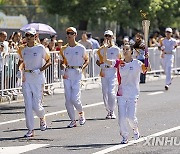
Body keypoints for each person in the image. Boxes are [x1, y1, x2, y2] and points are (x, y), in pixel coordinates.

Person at [103, 44, 151, 144]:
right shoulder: (119, 63)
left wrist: (147, 59)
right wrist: (104, 50)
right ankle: (125, 136)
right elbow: (106, 61)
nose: (125, 51)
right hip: (121, 94)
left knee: (131, 117)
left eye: (127, 49)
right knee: (122, 118)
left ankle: (135, 128)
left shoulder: (137, 63)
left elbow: (147, 69)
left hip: (133, 94)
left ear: (131, 51)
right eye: (123, 49)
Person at [17, 27, 51, 137]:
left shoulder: (40, 48)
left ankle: (42, 117)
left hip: (38, 78)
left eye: (30, 35)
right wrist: (19, 69)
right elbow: (21, 62)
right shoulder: (23, 49)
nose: (28, 37)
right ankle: (30, 130)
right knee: (28, 105)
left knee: (36, 106)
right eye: (27, 35)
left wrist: (40, 70)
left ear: (35, 36)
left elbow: (49, 61)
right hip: (26, 78)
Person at [59, 27, 89, 128]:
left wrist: (82, 68)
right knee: (68, 100)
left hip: (77, 73)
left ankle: (81, 113)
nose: (69, 35)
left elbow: (87, 60)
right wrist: (62, 67)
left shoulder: (81, 48)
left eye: (71, 33)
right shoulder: (64, 48)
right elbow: (61, 61)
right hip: (67, 73)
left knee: (75, 98)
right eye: (68, 33)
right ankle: (72, 120)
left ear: (75, 35)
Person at [96, 30, 121, 119]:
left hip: (112, 71)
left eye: (109, 36)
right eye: (106, 36)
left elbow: (120, 61)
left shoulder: (116, 49)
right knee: (105, 92)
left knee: (111, 92)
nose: (107, 38)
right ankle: (108, 111)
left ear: (112, 37)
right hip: (104, 72)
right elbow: (97, 61)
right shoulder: (101, 50)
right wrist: (101, 65)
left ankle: (112, 111)